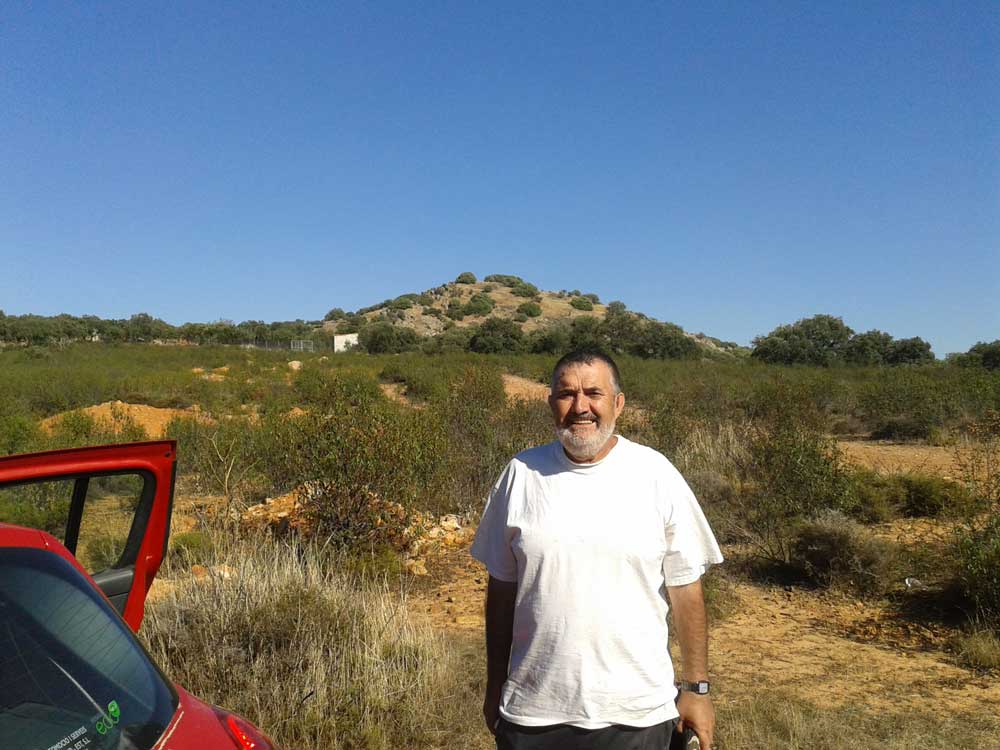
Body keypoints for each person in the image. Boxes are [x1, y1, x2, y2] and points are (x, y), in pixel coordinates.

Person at [471, 349, 724, 750]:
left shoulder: (656, 474)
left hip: (638, 715)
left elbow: (686, 588)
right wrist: (494, 684)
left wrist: (696, 689)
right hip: (533, 713)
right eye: (566, 394)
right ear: (551, 404)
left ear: (618, 404)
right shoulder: (521, 474)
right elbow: (501, 590)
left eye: (594, 393)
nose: (580, 407)